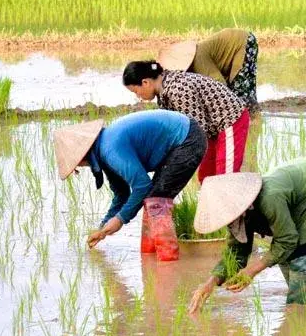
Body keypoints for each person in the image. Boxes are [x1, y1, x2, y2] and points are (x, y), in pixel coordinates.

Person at [187, 159, 306, 312]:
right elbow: (236, 253)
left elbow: (288, 240)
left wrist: (252, 271)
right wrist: (211, 282)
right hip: (302, 189)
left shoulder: (269, 197)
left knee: (297, 251)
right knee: (282, 252)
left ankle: (300, 310)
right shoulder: (237, 216)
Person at [54, 109, 206, 261]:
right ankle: (150, 258)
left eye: (76, 165)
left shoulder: (110, 149)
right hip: (178, 140)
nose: (79, 167)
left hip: (188, 139)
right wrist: (102, 229)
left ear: (81, 157)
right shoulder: (103, 149)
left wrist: (120, 219)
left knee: (156, 202)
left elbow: (142, 186)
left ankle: (167, 262)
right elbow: (121, 194)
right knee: (152, 201)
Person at [122, 60, 250, 180]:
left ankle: (237, 203)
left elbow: (198, 130)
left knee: (225, 175)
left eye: (136, 91)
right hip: (210, 125)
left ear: (145, 82)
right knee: (206, 175)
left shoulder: (178, 90)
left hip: (229, 120)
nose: (138, 97)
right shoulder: (163, 91)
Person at [159, 28, 259, 113]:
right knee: (238, 92)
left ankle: (250, 118)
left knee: (240, 90)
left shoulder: (198, 59)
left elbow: (219, 84)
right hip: (240, 40)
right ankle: (252, 115)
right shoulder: (194, 62)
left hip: (244, 42)